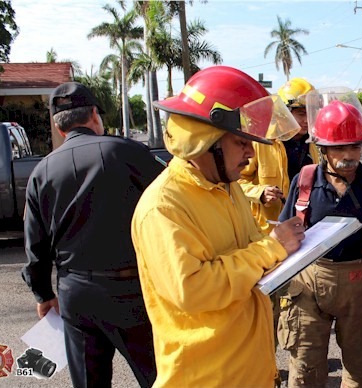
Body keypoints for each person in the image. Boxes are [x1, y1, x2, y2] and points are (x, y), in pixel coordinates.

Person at [130, 66, 306, 388]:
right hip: (208, 378)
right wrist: (272, 247)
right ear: (204, 140)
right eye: (241, 142)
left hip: (248, 371)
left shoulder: (228, 186)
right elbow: (194, 290)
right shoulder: (164, 207)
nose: (251, 153)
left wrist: (290, 248)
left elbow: (249, 253)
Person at [22, 82, 162, 387]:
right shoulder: (128, 152)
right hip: (133, 289)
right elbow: (171, 204)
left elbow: (36, 246)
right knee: (160, 377)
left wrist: (44, 294)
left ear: (60, 129)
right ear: (95, 116)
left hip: (77, 294)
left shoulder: (42, 172)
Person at [277, 92, 362, 388]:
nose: (349, 156)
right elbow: (285, 230)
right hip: (309, 282)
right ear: (323, 149)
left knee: (360, 366)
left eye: (356, 146)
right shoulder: (305, 180)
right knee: (305, 369)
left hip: (359, 283)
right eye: (339, 149)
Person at [239, 77, 320, 235]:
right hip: (265, 232)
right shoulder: (261, 142)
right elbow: (235, 182)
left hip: (300, 229)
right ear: (284, 113)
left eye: (310, 114)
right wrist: (260, 193)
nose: (307, 121)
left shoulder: (312, 146)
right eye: (301, 114)